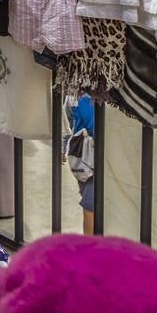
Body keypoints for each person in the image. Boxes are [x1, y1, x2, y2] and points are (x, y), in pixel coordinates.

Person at [64, 95, 97, 235]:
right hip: (84, 156)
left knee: (90, 205)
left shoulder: (74, 95)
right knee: (90, 205)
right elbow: (67, 123)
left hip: (82, 155)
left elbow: (67, 123)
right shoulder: (74, 96)